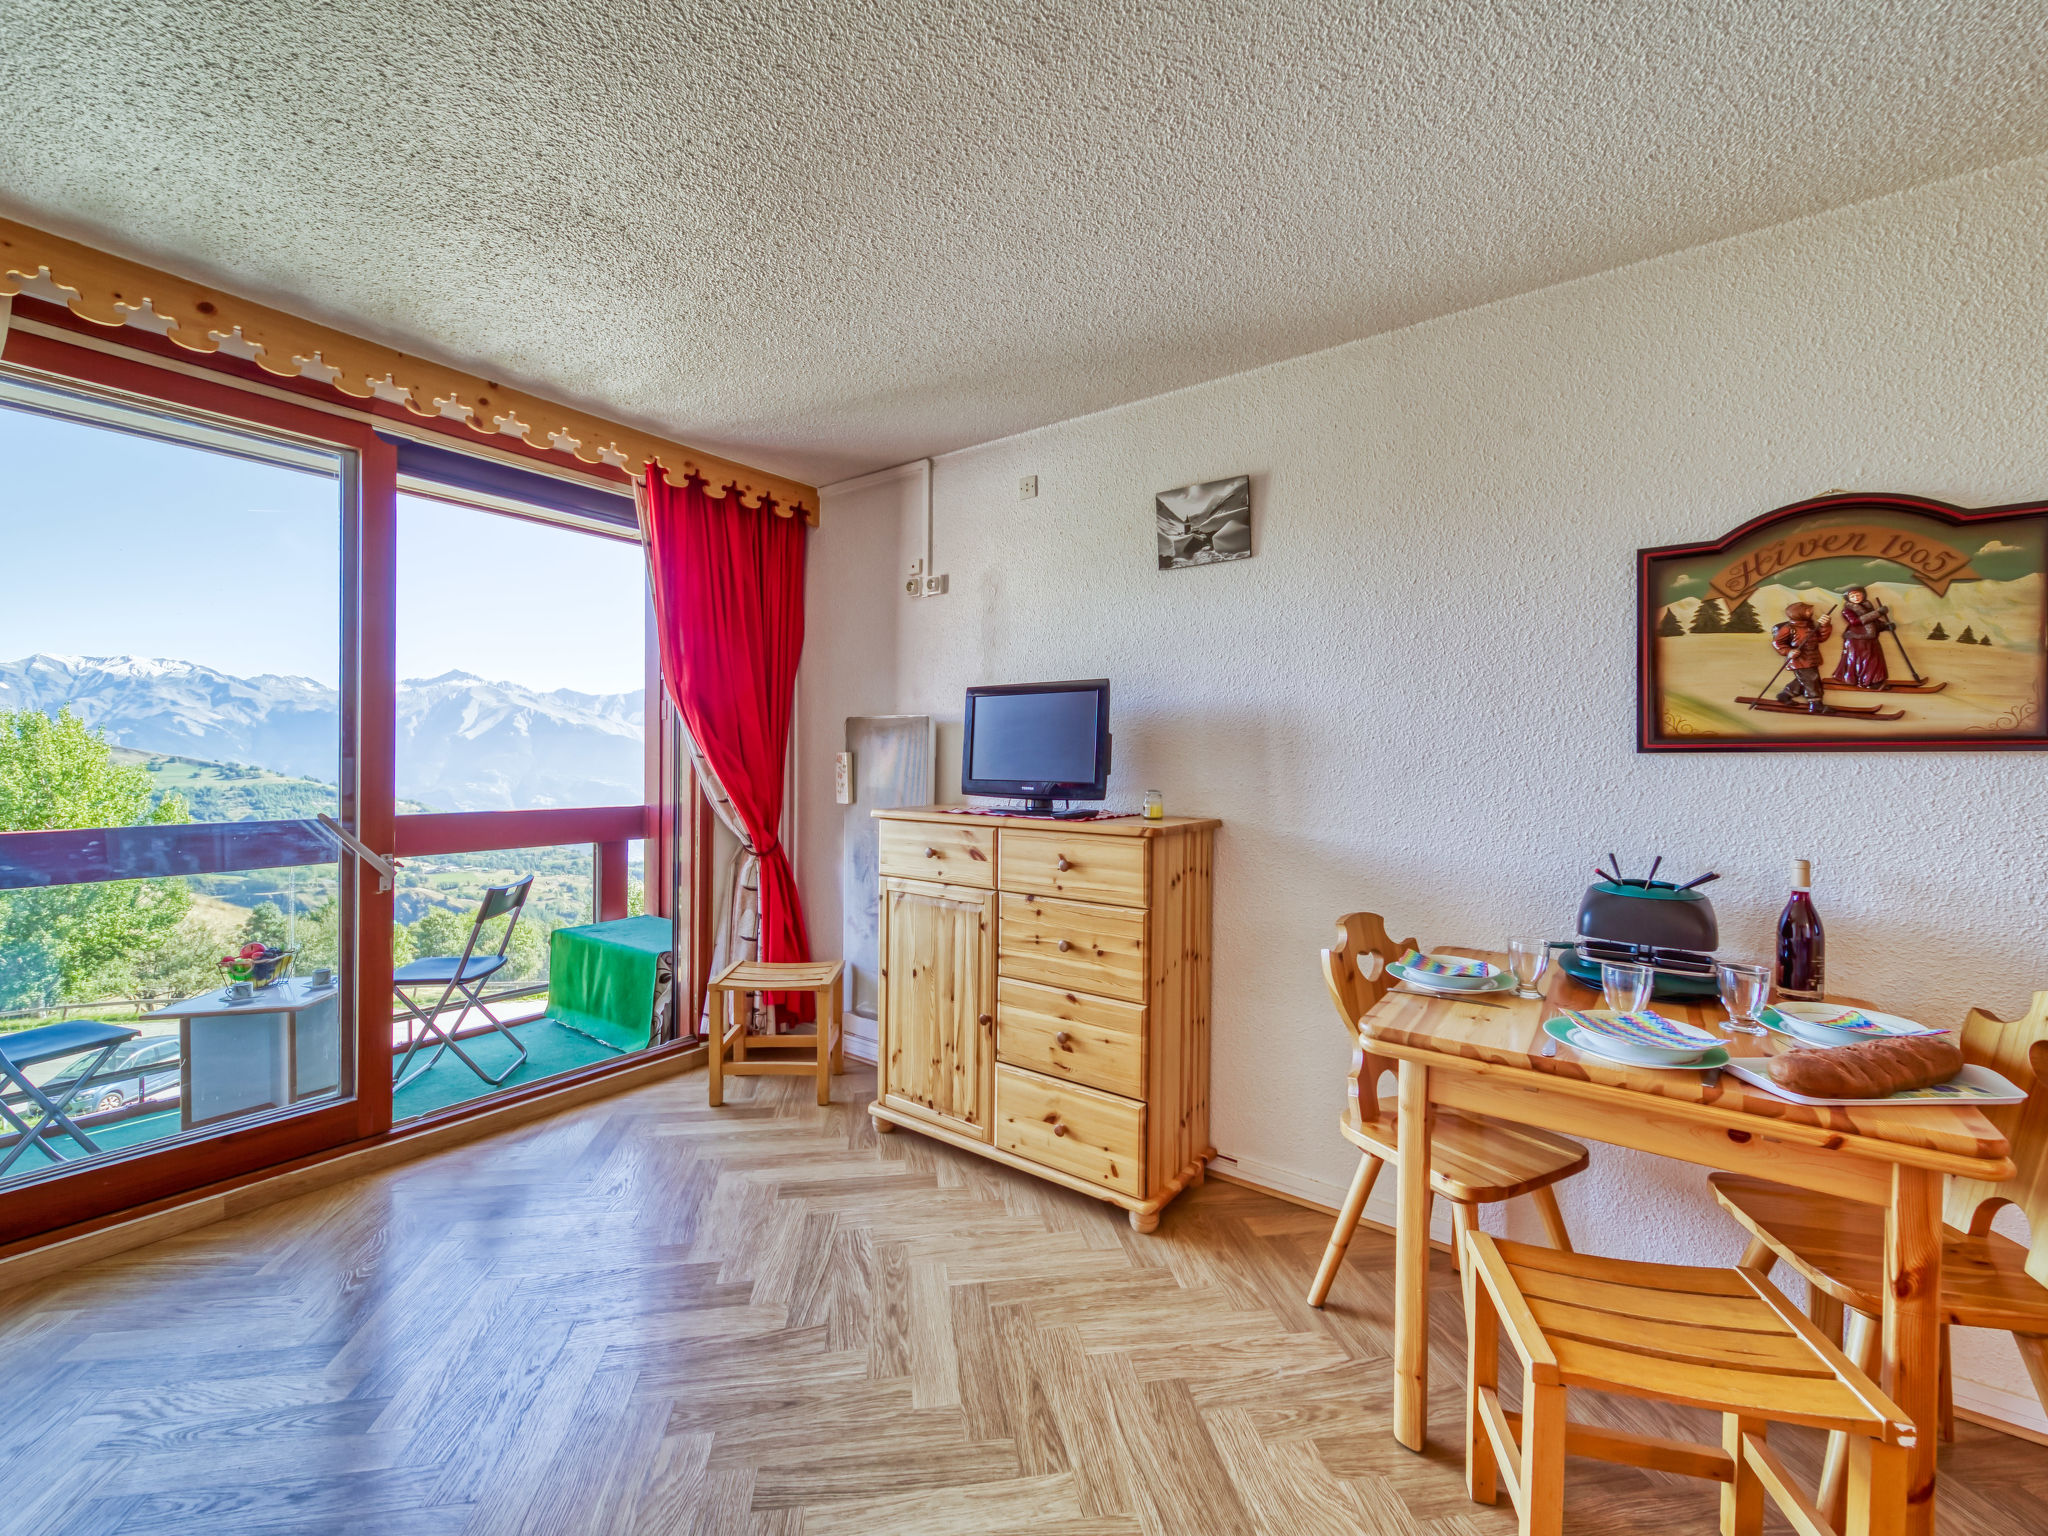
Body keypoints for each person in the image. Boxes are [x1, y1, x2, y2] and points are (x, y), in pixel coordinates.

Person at [1771, 601, 1833, 712]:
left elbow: (1820, 638)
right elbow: (1777, 642)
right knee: (1811, 680)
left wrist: (1825, 626)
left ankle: (1785, 695)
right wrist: (1788, 651)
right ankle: (1815, 704)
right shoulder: (1789, 628)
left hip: (1812, 657)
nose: (1811, 612)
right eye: (1808, 610)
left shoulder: (1810, 626)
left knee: (1805, 679)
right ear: (1797, 613)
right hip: (1799, 659)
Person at [1830, 585, 1891, 690]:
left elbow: (1874, 623)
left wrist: (1885, 626)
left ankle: (1875, 680)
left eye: (1858, 595)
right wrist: (1877, 613)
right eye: (1852, 596)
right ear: (1848, 598)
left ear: (1863, 595)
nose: (1856, 598)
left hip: (1871, 638)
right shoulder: (1847, 610)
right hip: (1856, 639)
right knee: (1864, 660)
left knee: (1875, 660)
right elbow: (1855, 621)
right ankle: (1866, 681)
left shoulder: (1868, 607)